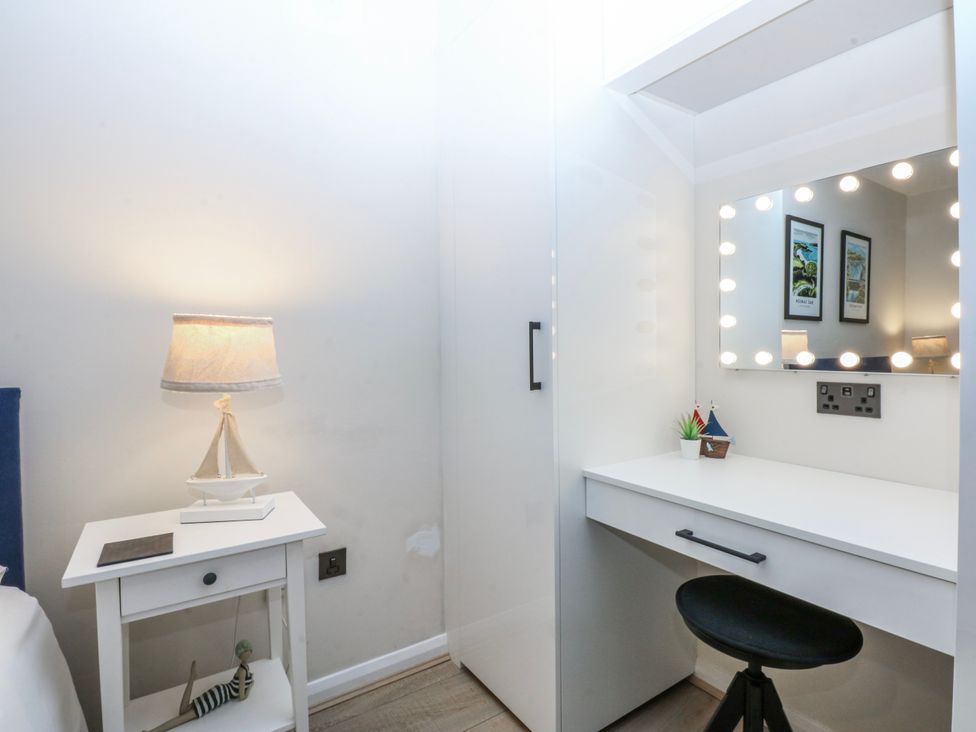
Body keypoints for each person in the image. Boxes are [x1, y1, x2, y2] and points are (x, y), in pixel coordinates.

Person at [143, 640, 254, 732]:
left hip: (220, 691)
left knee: (182, 711)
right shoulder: (243, 671)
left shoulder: (243, 668)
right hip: (218, 696)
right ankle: (152, 731)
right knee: (180, 719)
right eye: (247, 650)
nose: (249, 652)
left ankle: (192, 678)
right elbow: (242, 697)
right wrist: (249, 687)